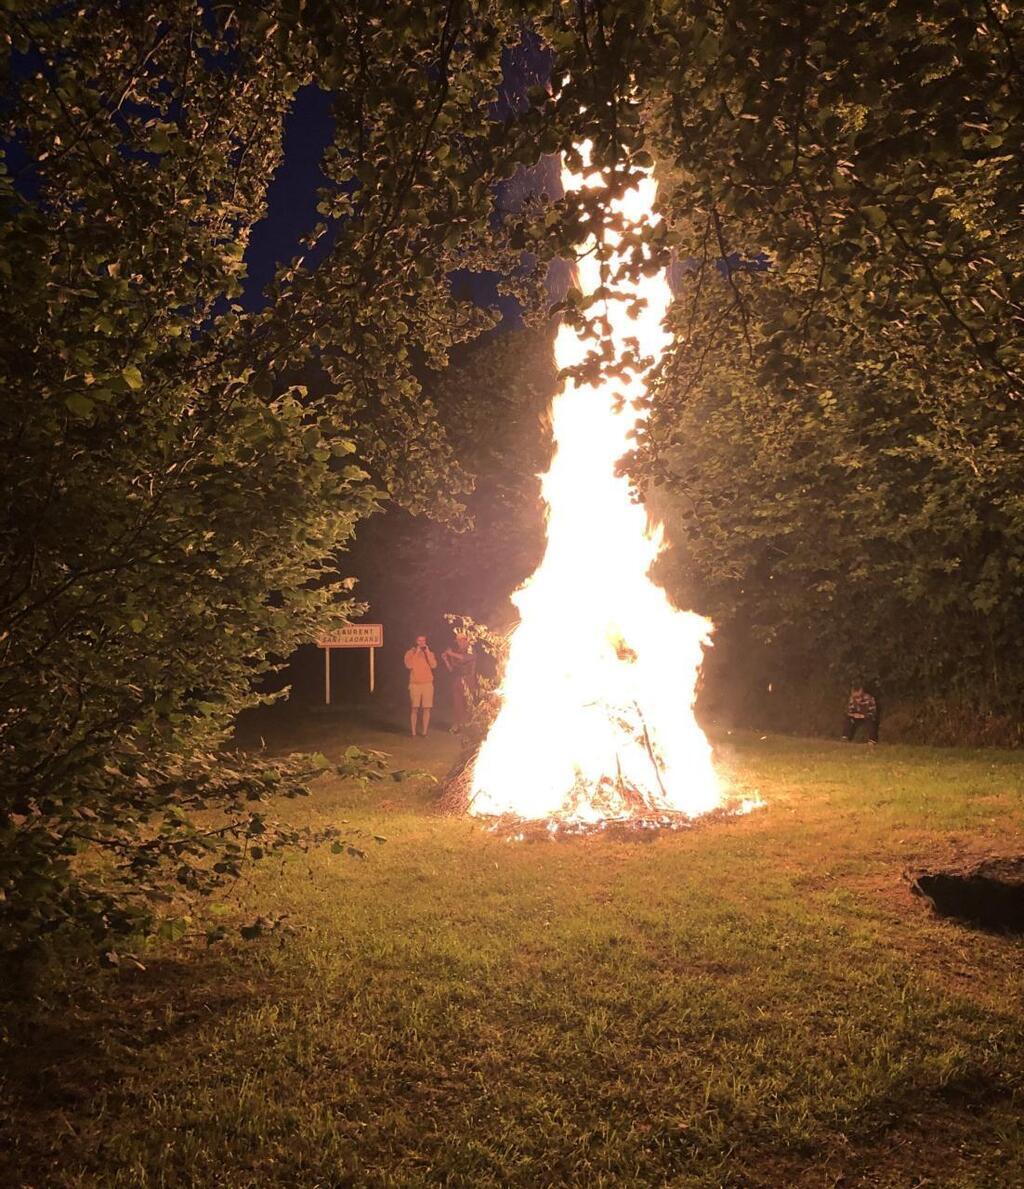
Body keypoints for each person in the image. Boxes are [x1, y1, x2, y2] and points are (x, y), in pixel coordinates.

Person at [441, 633, 476, 732]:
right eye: (458, 641)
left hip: (468, 680)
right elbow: (452, 669)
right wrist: (446, 660)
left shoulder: (470, 649)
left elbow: (465, 658)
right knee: (457, 704)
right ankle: (459, 725)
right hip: (457, 680)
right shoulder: (457, 652)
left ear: (466, 640)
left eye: (462, 640)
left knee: (468, 704)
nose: (460, 643)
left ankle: (470, 725)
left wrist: (451, 653)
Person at [404, 634, 437, 737]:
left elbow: (434, 665)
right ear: (416, 641)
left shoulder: (429, 652)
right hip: (415, 684)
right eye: (419, 640)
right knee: (415, 708)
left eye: (423, 640)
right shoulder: (410, 653)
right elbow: (409, 665)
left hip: (427, 684)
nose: (422, 642)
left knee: (427, 708)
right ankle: (413, 732)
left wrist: (427, 652)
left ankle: (424, 732)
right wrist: (416, 653)